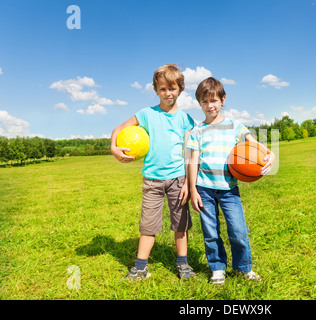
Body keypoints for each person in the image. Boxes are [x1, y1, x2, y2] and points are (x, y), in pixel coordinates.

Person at [110, 64, 196, 280]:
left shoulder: (186, 120)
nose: (168, 93)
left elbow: (189, 153)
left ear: (180, 89)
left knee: (181, 224)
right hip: (152, 180)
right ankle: (140, 268)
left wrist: (187, 183)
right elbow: (118, 128)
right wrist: (114, 147)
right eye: (163, 89)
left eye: (173, 88)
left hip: (178, 179)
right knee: (148, 225)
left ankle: (183, 264)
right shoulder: (146, 114)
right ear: (156, 90)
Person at [187, 77, 275, 285]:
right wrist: (193, 190)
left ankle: (244, 268)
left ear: (223, 100)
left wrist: (269, 154)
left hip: (229, 189)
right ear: (200, 104)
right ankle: (217, 269)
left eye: (214, 100)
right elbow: (192, 161)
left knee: (238, 231)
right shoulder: (197, 131)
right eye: (205, 102)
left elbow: (253, 144)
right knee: (210, 233)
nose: (210, 106)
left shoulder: (235, 125)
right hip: (204, 189)